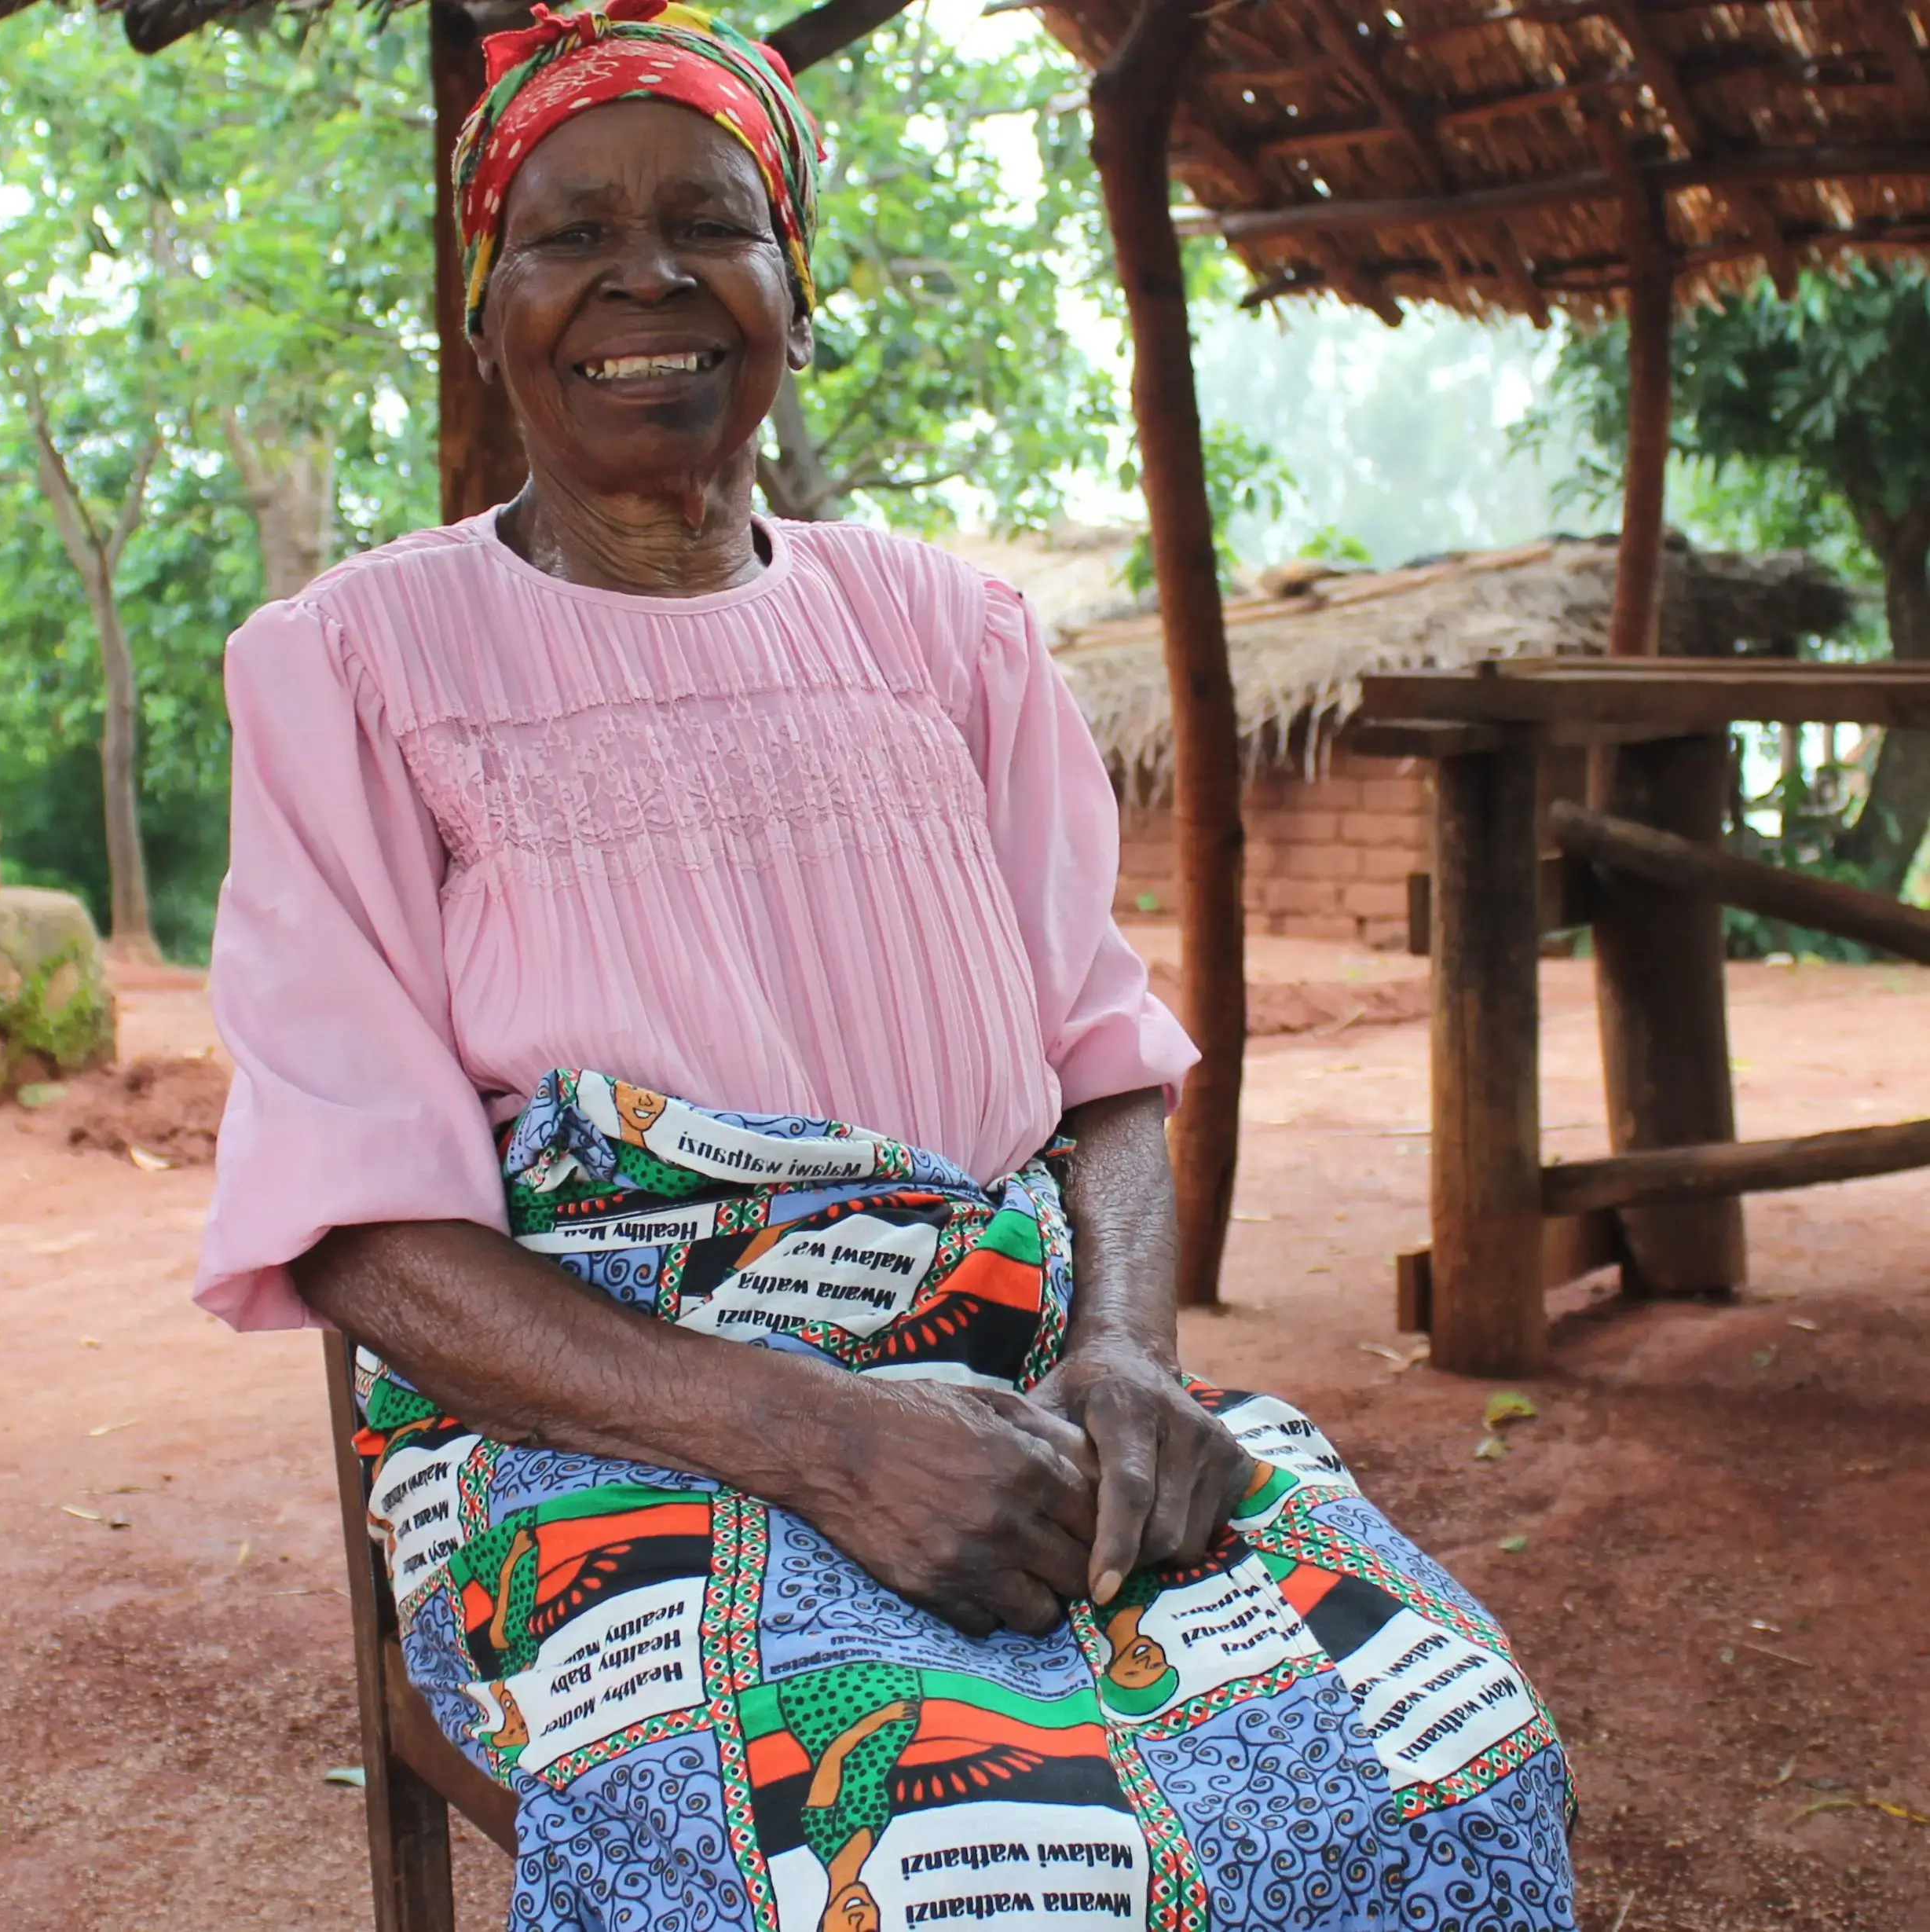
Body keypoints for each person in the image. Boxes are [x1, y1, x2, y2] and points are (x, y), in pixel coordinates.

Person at [194, 3, 1577, 1924]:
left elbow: (1101, 1071)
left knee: (1450, 1755)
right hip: (612, 1435)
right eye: (569, 232)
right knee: (899, 1868)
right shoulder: (352, 666)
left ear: (792, 282)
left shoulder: (950, 633)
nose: (644, 277)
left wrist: (1119, 1358)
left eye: (710, 221)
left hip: (1028, 1392)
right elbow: (361, 1227)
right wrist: (824, 1436)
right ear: (486, 297)